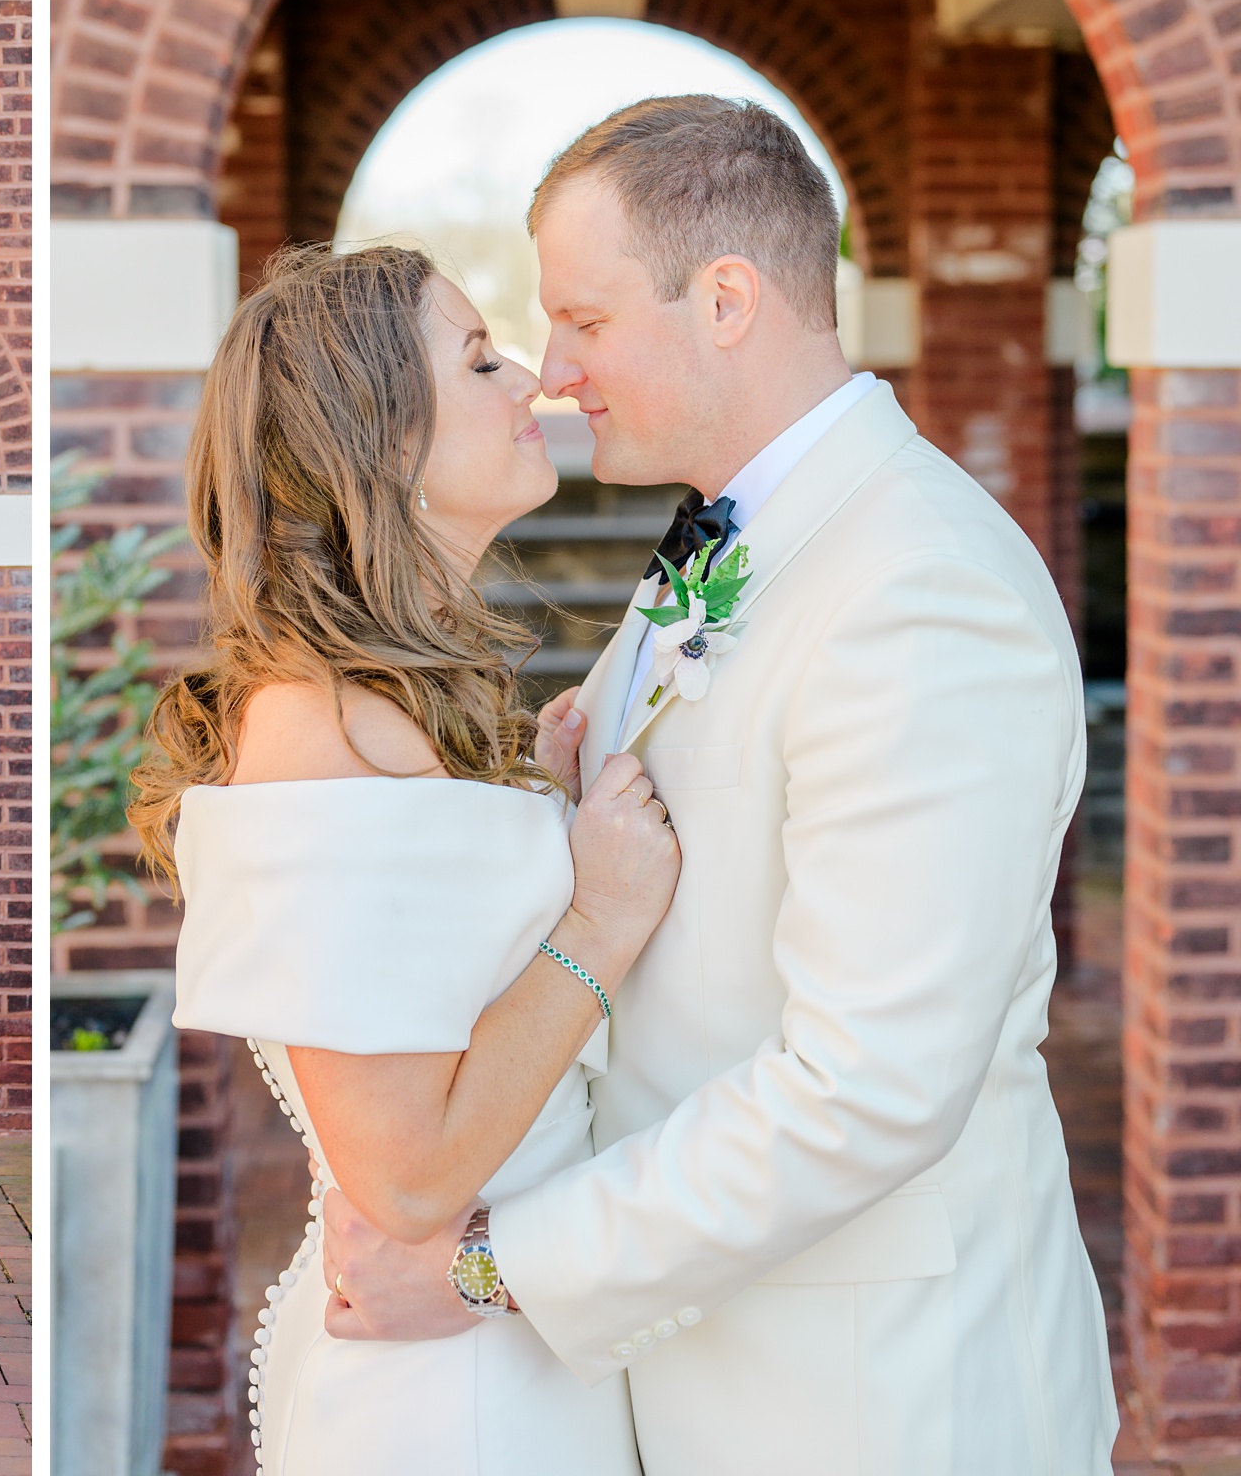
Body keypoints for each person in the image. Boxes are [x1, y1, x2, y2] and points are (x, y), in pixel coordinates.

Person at [319, 97, 1116, 1474]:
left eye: (586, 319)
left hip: (876, 1402)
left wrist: (488, 1267)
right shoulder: (745, 542)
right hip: (701, 1367)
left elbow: (868, 1085)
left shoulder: (920, 591)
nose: (556, 371)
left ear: (729, 299)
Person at [133, 241, 684, 1473]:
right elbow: (410, 1174)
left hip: (512, 1353)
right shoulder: (321, 723)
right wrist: (595, 919)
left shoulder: (392, 709)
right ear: (376, 439)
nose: (532, 376)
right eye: (481, 358)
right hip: (456, 1404)